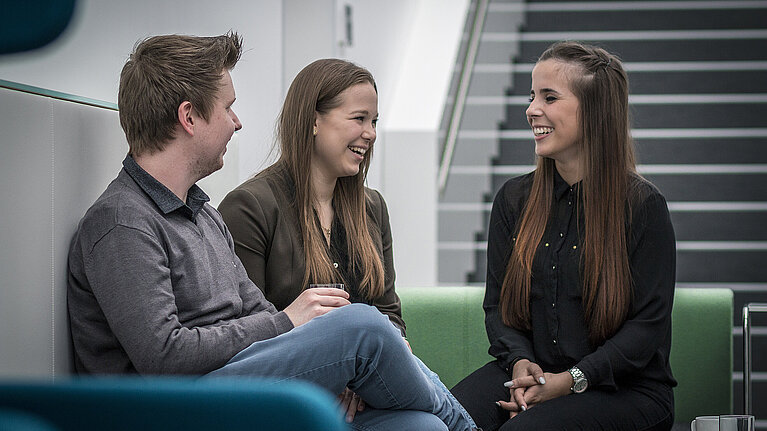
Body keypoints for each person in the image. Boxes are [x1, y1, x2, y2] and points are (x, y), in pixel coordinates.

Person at [67, 32, 477, 431]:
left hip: (235, 382)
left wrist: (320, 363)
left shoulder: (203, 214)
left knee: (419, 424)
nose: (237, 122)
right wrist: (288, 323)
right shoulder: (122, 221)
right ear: (189, 117)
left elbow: (257, 313)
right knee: (363, 326)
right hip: (174, 406)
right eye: (228, 108)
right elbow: (164, 356)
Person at [218, 58, 471, 430]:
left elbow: (389, 313)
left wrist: (372, 367)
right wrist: (335, 372)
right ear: (314, 120)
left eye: (374, 122)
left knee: (426, 427)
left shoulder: (372, 207)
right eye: (359, 119)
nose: (370, 133)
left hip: (361, 391)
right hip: (291, 395)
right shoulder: (250, 206)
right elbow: (250, 331)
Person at [450, 41, 677, 430]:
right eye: (532, 96)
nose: (531, 109)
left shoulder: (642, 206)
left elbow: (646, 329)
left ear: (594, 110)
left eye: (549, 97)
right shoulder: (513, 199)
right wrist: (520, 362)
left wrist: (571, 381)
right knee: (442, 421)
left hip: (626, 389)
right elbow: (498, 308)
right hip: (535, 372)